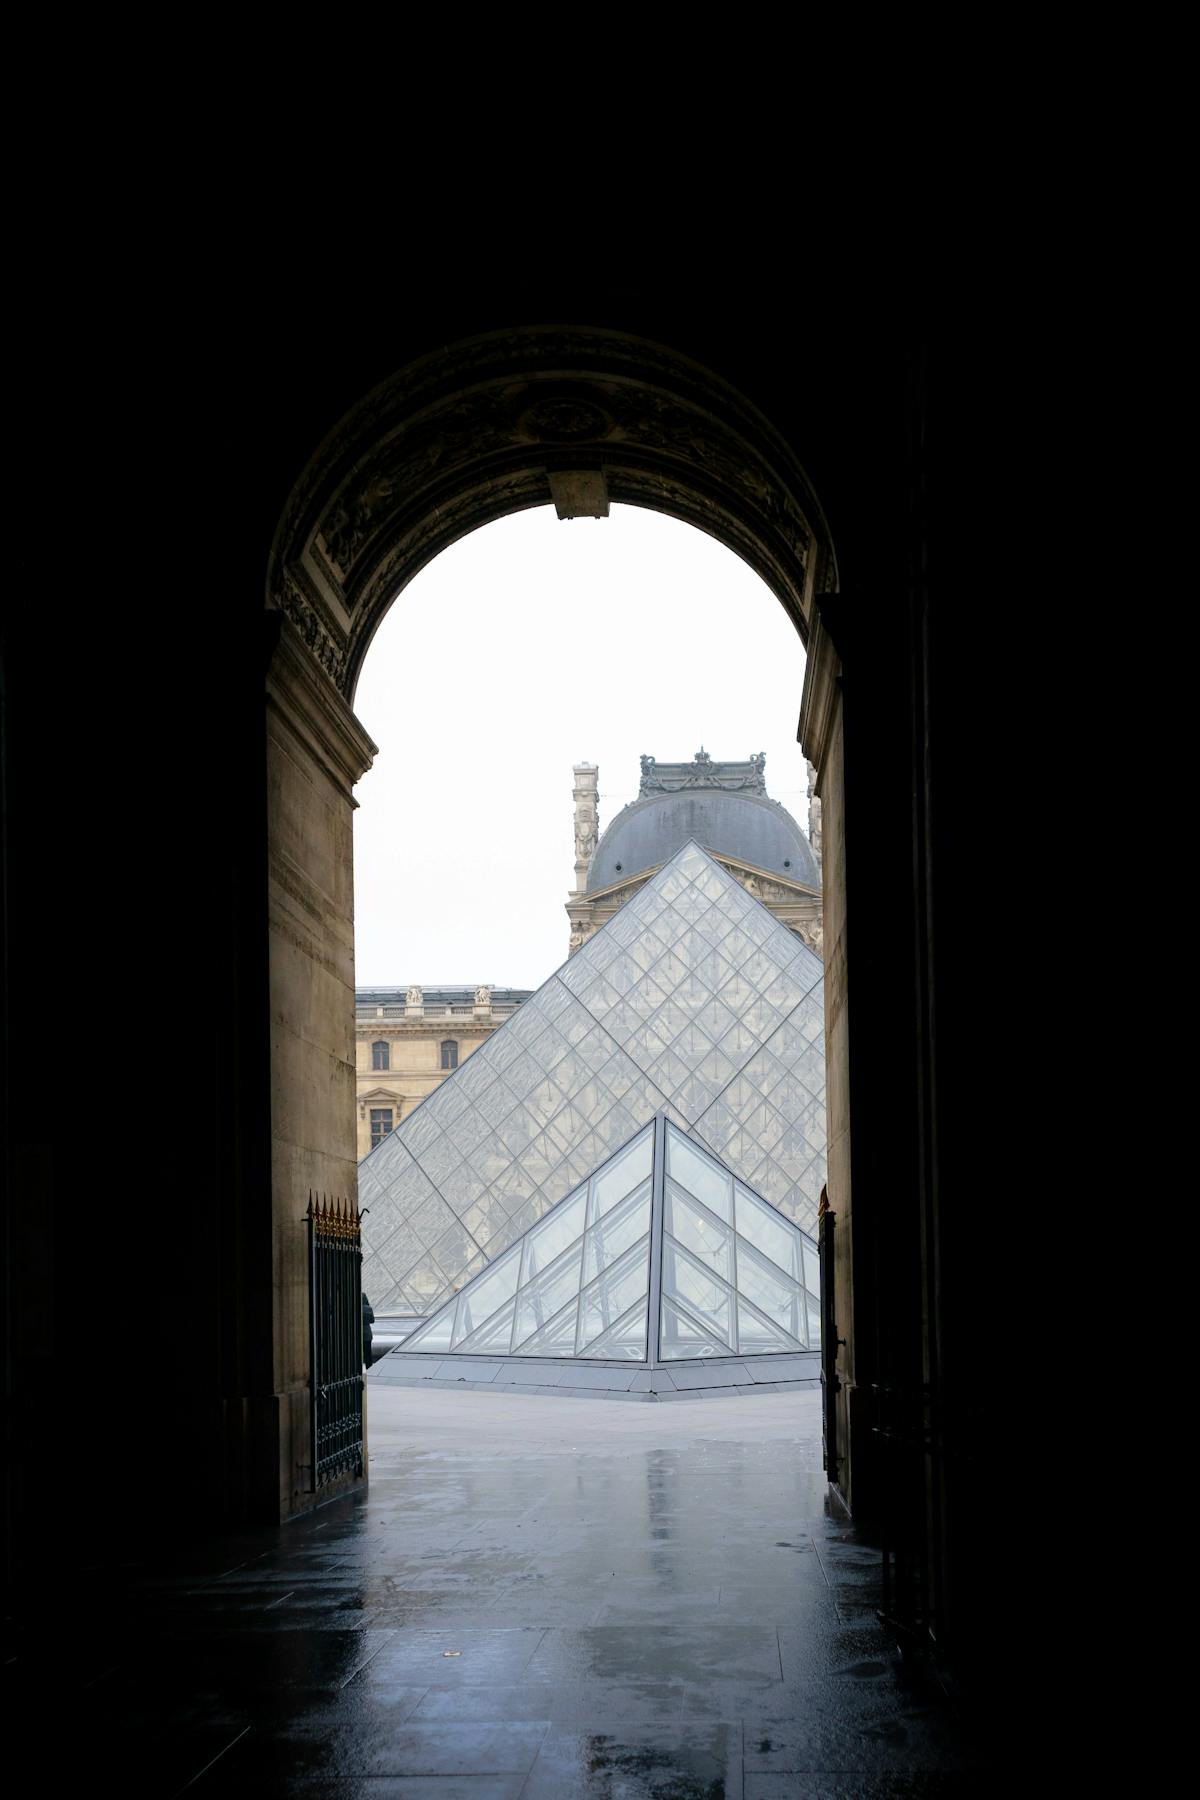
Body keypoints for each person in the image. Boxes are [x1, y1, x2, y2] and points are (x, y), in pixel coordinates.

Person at [361, 1292, 375, 1367]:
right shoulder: (368, 1308)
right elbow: (372, 1321)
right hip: (367, 1334)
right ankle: (369, 1369)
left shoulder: (353, 1307)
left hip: (356, 1334)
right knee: (368, 1354)